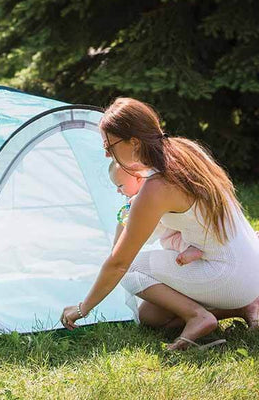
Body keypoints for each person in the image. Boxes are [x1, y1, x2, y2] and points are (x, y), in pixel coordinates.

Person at [60, 97, 259, 350]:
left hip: (227, 272)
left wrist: (82, 308)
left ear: (134, 142)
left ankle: (200, 316)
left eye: (110, 145)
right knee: (151, 317)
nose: (107, 153)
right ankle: (244, 305)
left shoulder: (157, 187)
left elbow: (119, 261)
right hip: (249, 268)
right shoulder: (186, 151)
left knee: (131, 269)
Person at [109, 160, 204, 266]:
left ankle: (191, 248)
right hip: (169, 229)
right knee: (168, 241)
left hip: (179, 219)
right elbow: (122, 223)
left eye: (120, 185)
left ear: (138, 177)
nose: (118, 191)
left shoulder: (152, 185)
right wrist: (115, 247)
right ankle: (189, 249)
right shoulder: (129, 202)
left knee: (170, 239)